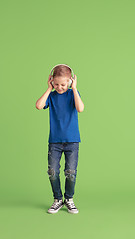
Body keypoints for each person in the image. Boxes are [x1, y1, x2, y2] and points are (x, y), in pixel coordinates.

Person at [35, 64, 84, 214]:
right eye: (56, 84)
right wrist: (49, 89)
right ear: (51, 82)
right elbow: (39, 105)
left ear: (70, 81)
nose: (60, 87)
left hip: (72, 141)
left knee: (70, 172)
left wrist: (74, 89)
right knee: (52, 171)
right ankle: (57, 199)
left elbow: (80, 108)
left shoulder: (72, 94)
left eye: (63, 84)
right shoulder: (52, 95)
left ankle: (69, 199)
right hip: (55, 142)